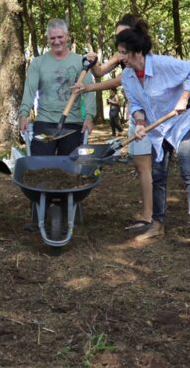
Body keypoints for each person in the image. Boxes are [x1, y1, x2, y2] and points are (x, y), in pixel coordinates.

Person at [117, 27, 190, 246]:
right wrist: (140, 123)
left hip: (182, 122)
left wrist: (184, 97)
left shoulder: (161, 64)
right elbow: (135, 104)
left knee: (187, 170)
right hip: (158, 129)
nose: (121, 58)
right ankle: (157, 224)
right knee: (158, 175)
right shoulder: (128, 76)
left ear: (137, 52)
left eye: (124, 52)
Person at [73, 14, 154, 238]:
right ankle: (149, 212)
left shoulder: (142, 56)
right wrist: (92, 62)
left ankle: (149, 216)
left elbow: (121, 81)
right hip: (136, 116)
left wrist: (90, 88)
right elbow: (101, 72)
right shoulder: (121, 54)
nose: (119, 40)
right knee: (140, 165)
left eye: (122, 34)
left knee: (145, 166)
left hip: (149, 117)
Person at [18, 19, 95, 156]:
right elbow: (29, 91)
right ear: (48, 38)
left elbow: (89, 91)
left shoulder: (81, 62)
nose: (57, 41)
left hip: (73, 122)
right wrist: (23, 114)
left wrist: (89, 117)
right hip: (45, 121)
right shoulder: (38, 63)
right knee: (41, 164)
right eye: (52, 38)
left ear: (67, 36)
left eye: (60, 37)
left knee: (70, 164)